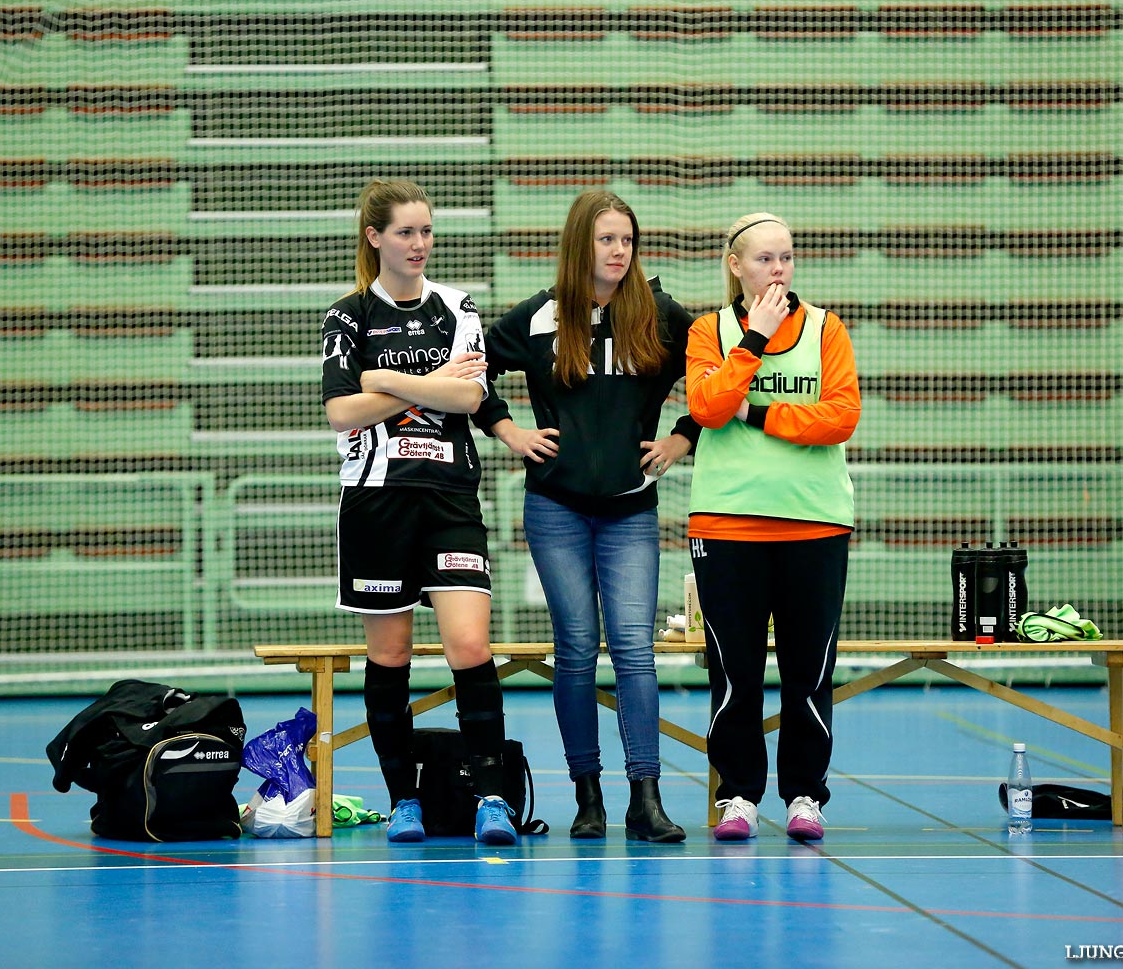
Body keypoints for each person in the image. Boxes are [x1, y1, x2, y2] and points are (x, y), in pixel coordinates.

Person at [474, 189, 693, 843]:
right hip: (556, 509)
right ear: (581, 246)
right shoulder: (541, 317)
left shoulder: (659, 314)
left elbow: (719, 376)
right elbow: (472, 366)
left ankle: (645, 801)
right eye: (606, 239)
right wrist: (508, 429)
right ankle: (588, 799)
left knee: (633, 651)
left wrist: (684, 437)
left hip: (630, 511)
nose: (619, 251)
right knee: (574, 651)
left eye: (626, 239)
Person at [320, 178, 519, 845]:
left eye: (426, 231)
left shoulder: (457, 305)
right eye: (406, 231)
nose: (419, 243)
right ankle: (404, 800)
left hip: (449, 496)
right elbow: (339, 412)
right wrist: (430, 386)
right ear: (375, 237)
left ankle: (491, 796)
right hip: (375, 501)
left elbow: (470, 400)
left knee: (469, 645)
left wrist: (385, 380)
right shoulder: (348, 316)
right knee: (394, 653)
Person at [684, 212, 860, 842]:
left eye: (786, 257)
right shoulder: (711, 331)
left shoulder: (825, 328)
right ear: (736, 266)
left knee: (809, 671)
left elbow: (840, 417)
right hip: (727, 527)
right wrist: (752, 341)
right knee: (734, 672)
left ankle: (806, 796)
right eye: (764, 259)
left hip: (814, 526)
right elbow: (707, 407)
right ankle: (737, 796)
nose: (778, 270)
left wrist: (757, 415)